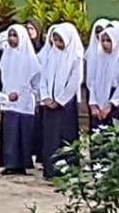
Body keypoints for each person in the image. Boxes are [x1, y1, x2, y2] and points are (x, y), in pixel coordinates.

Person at [35, 23, 83, 179]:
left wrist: (60, 100)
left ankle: (67, 169)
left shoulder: (75, 57)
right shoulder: (50, 55)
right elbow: (43, 77)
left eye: (60, 40)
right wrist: (46, 97)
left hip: (65, 105)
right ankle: (51, 169)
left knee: (66, 135)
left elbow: (75, 81)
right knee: (50, 137)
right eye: (54, 40)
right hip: (50, 104)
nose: (57, 44)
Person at [0, 24, 40, 175]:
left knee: (22, 131)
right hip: (8, 98)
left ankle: (21, 164)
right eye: (10, 35)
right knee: (9, 131)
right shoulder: (7, 53)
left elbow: (35, 80)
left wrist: (23, 92)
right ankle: (9, 163)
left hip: (24, 100)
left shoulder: (29, 57)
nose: (11, 39)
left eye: (15, 36)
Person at [85, 22, 119, 130]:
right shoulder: (99, 60)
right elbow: (93, 82)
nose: (105, 44)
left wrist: (110, 105)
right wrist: (93, 104)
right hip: (99, 101)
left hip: (117, 102)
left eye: (108, 41)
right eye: (103, 40)